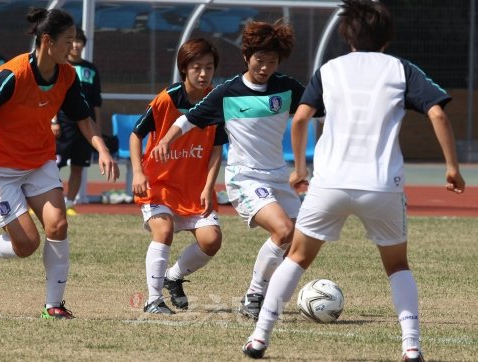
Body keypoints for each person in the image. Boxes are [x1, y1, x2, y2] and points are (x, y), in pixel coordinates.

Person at [241, 1, 466, 360]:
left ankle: (259, 337)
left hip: (329, 183)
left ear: (347, 36)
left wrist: (299, 168)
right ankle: (411, 346)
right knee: (397, 266)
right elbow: (437, 112)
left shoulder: (330, 70)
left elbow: (300, 120)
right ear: (387, 37)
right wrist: (452, 167)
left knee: (297, 257)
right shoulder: (400, 69)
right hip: (381, 185)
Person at [0, 8, 118, 319]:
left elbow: (83, 118)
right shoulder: (11, 75)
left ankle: (54, 305)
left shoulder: (68, 75)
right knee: (27, 243)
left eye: (75, 41)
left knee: (58, 225)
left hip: (37, 160)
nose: (73, 47)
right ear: (47, 41)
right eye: (68, 41)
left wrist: (101, 148)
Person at [150, 20, 307, 319]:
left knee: (298, 241)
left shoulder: (286, 87)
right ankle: (254, 296)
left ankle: (175, 276)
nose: (264, 68)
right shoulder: (228, 92)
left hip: (278, 176)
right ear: (247, 57)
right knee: (283, 230)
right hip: (244, 177)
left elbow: (319, 105)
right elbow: (190, 119)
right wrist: (167, 140)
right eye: (259, 61)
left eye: (271, 62)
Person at [130, 38, 226, 314]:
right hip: (158, 184)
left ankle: (173, 277)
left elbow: (216, 150)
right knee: (164, 230)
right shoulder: (166, 99)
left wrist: (209, 187)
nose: (203, 73)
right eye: (197, 67)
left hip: (194, 188)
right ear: (184, 68)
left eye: (209, 67)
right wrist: (138, 171)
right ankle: (153, 300)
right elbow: (136, 134)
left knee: (211, 240)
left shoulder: (215, 102)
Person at [52, 27, 103, 216]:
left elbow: (96, 101)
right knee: (54, 165)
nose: (76, 45)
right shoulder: (60, 67)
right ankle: (45, 201)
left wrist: (97, 127)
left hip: (86, 125)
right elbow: (53, 97)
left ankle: (70, 203)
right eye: (73, 41)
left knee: (78, 166)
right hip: (63, 123)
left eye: (80, 41)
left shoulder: (91, 69)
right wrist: (53, 120)